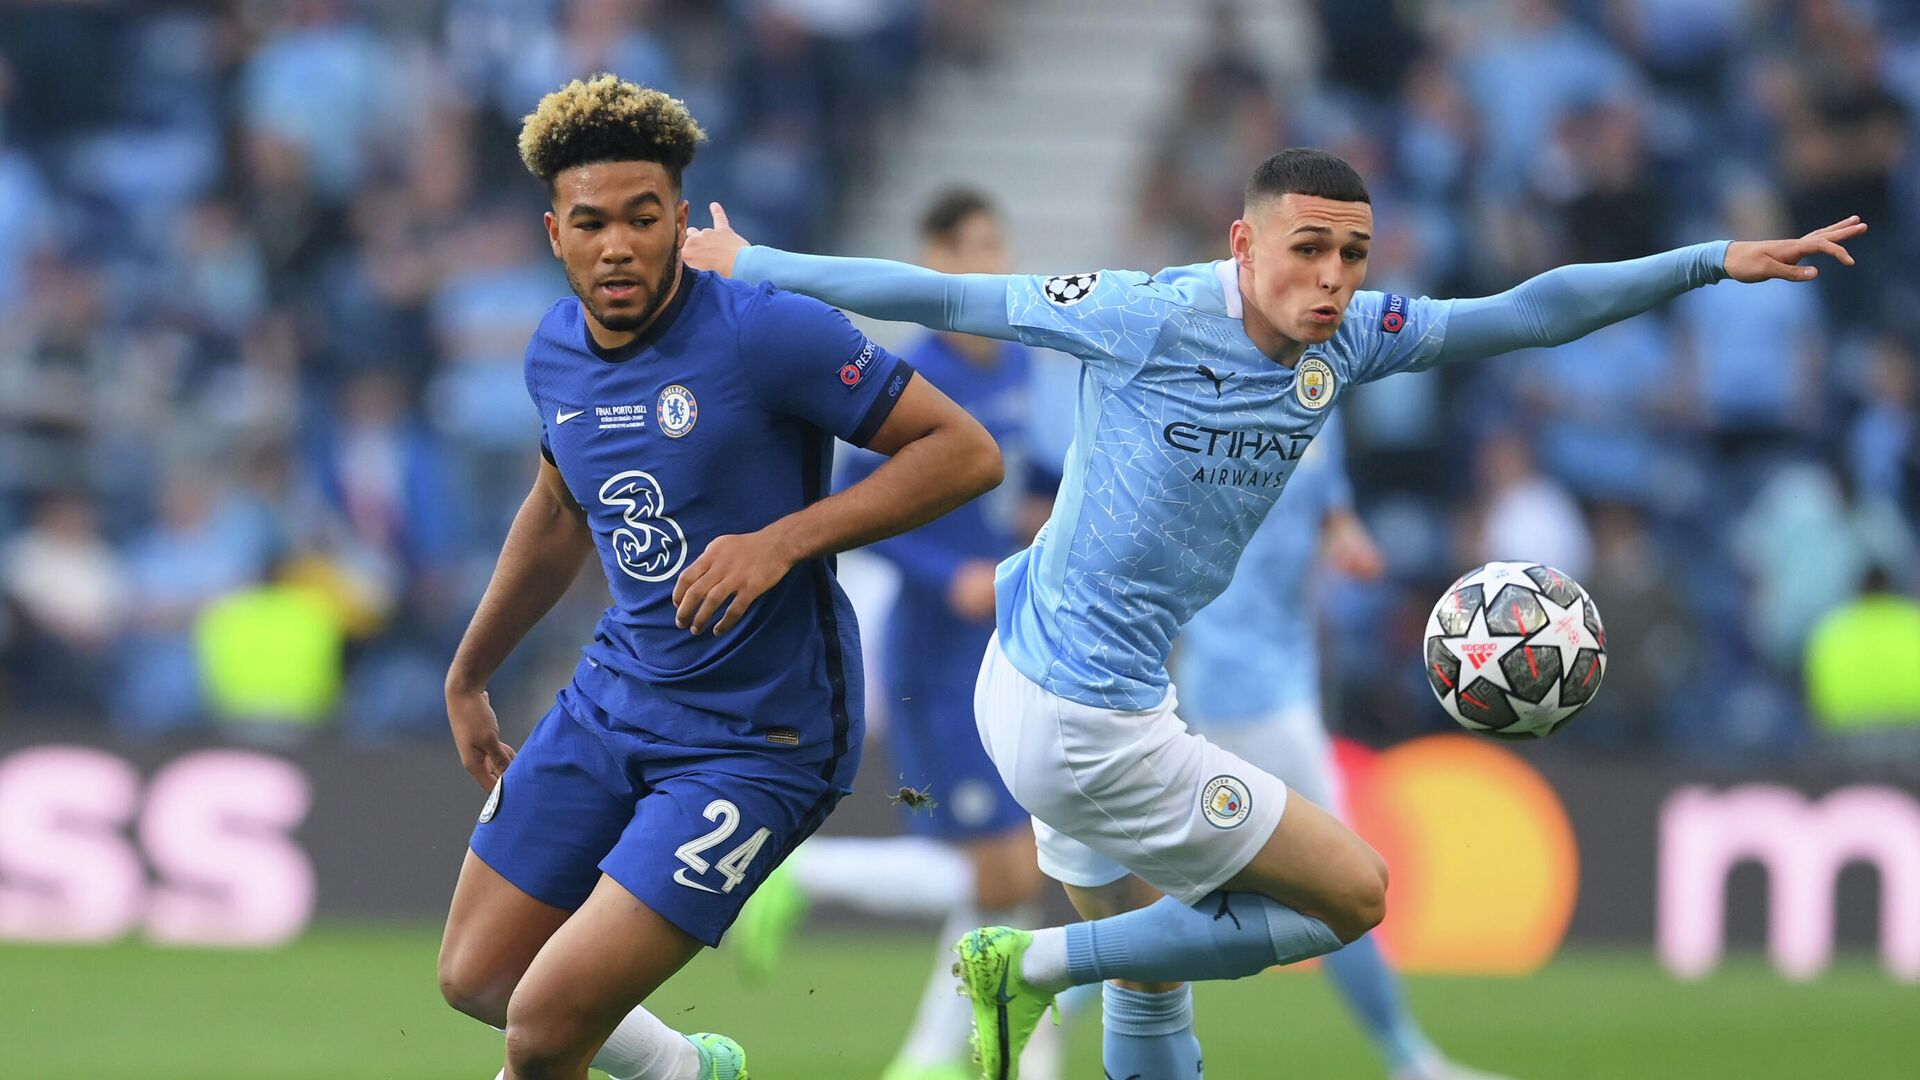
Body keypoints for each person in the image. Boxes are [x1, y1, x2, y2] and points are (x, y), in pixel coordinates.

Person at [684, 146, 1863, 1080]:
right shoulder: (1145, 311)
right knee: (1350, 898)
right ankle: (1029, 965)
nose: (1336, 278)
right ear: (1244, 243)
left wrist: (1710, 259)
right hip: (1084, 721)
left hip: (1066, 685)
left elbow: (1531, 309)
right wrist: (755, 264)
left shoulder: (1349, 341)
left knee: (1156, 982)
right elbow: (943, 292)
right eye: (1310, 250)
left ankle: (1060, 969)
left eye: (1354, 252)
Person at [434, 75, 1003, 1080]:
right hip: (615, 700)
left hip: (759, 738)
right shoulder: (554, 350)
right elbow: (559, 512)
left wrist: (783, 539)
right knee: (481, 980)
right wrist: (469, 673)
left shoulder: (763, 330)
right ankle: (686, 1070)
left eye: (644, 219)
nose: (619, 246)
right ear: (553, 233)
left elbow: (962, 454)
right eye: (592, 223)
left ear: (681, 219)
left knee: (544, 1027)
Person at [729, 188, 1063, 1080]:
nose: (989, 259)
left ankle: (951, 1057)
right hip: (932, 646)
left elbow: (1045, 467)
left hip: (1006, 641)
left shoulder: (1019, 366)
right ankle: (812, 881)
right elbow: (856, 505)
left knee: (1018, 869)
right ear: (933, 258)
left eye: (998, 241)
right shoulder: (908, 376)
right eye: (971, 245)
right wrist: (941, 573)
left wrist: (1040, 510)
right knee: (1006, 870)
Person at [1175, 416, 1511, 1080]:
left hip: (1283, 681)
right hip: (1241, 686)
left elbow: (1328, 510)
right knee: (1343, 887)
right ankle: (1409, 1059)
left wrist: (1346, 539)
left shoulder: (1316, 398)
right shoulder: (1216, 398)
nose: (1329, 307)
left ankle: (1047, 993)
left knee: (1186, 883)